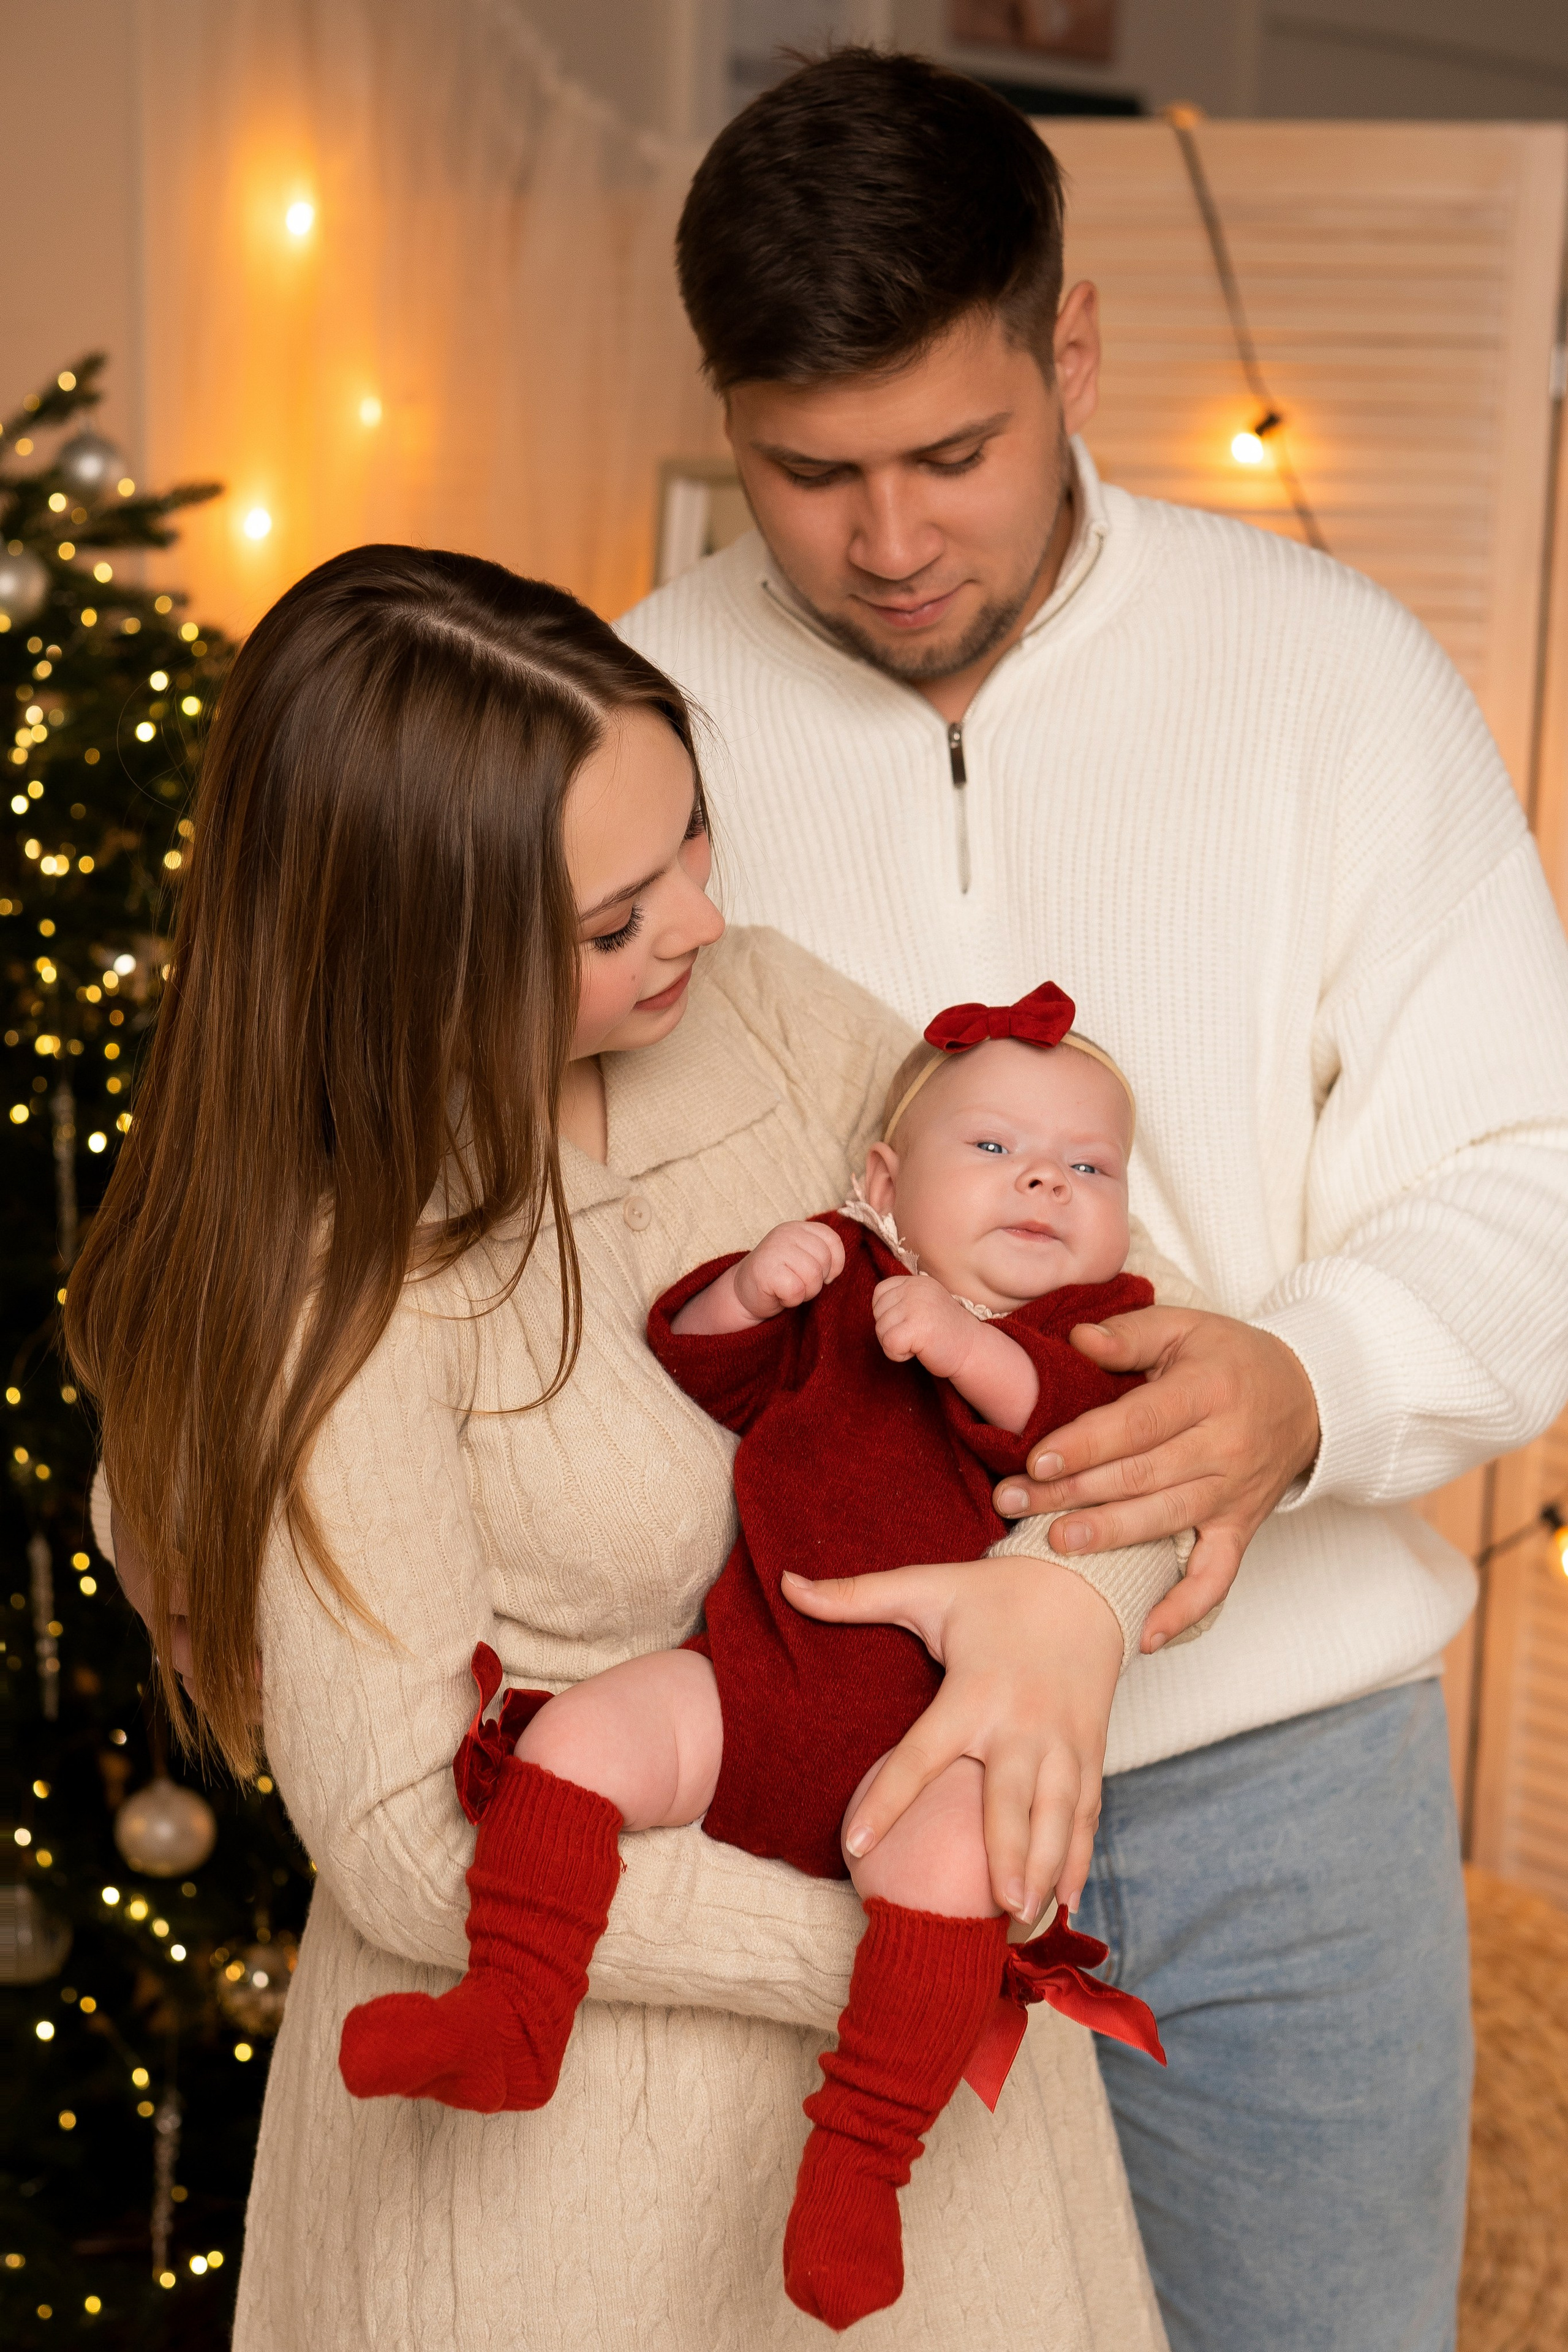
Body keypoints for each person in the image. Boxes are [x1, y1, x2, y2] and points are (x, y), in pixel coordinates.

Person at [617, 47, 1568, 2352]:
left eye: (955, 452)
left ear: (1077, 348)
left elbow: (1530, 1178)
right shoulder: (626, 723)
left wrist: (1308, 1381)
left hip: (1277, 1808)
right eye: (810, 472)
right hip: (802, 1765)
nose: (890, 541)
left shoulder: (1335, 674)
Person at [70, 545, 1177, 2350]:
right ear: (412, 956)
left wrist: (1068, 1610)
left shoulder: (777, 1019)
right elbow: (410, 1844)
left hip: (953, 2187)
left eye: (692, 844)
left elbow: (1124, 1344)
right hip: (567, 2196)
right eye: (611, 922)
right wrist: (919, 1959)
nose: (698, 924)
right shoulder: (332, 1290)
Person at [334, 982, 1169, 2332]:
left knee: (960, 1883)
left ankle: (860, 2164)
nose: (1043, 1182)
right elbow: (700, 1371)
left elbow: (1078, 1436)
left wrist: (968, 1348)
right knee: (578, 1737)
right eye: (994, 1149)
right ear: (883, 1184)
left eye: (1089, 1168)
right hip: (748, 1684)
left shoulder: (1098, 1327)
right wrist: (747, 1289)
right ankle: (512, 2011)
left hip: (926, 1750)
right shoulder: (847, 1280)